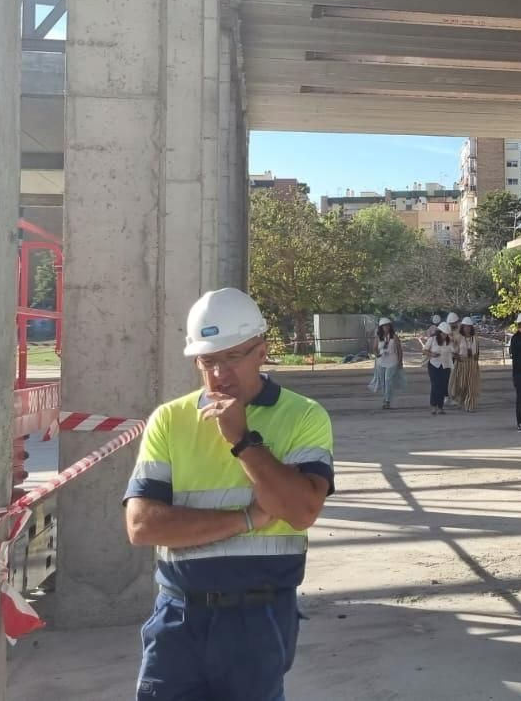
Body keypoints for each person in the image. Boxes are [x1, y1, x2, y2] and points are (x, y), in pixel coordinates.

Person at [123, 288, 334, 700]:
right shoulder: (170, 419)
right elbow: (142, 525)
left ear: (261, 351)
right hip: (178, 613)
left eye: (233, 356)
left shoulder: (304, 416)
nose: (220, 373)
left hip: (258, 617)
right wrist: (247, 519)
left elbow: (301, 511)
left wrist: (242, 439)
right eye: (208, 361)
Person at [368, 317, 403, 410]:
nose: (386, 328)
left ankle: (387, 400)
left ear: (390, 327)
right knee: (383, 381)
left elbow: (399, 350)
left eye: (388, 326)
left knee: (388, 380)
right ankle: (385, 398)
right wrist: (377, 354)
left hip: (392, 361)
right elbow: (374, 348)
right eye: (384, 326)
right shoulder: (378, 337)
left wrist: (400, 361)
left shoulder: (394, 337)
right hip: (381, 361)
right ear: (381, 327)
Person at [452, 318, 483, 412]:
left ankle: (470, 405)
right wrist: (458, 358)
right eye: (465, 327)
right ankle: (461, 401)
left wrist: (476, 359)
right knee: (461, 385)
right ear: (462, 327)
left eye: (469, 327)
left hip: (472, 363)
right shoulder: (458, 337)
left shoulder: (475, 338)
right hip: (461, 363)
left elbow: (477, 350)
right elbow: (453, 352)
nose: (467, 328)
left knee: (471, 385)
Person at [425, 320, 454, 415]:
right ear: (439, 332)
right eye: (443, 333)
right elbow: (424, 350)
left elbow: (453, 351)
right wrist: (432, 354)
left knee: (443, 386)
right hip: (434, 365)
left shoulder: (449, 341)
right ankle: (433, 406)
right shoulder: (432, 339)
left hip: (445, 365)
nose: (444, 336)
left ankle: (440, 407)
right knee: (435, 385)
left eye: (446, 334)